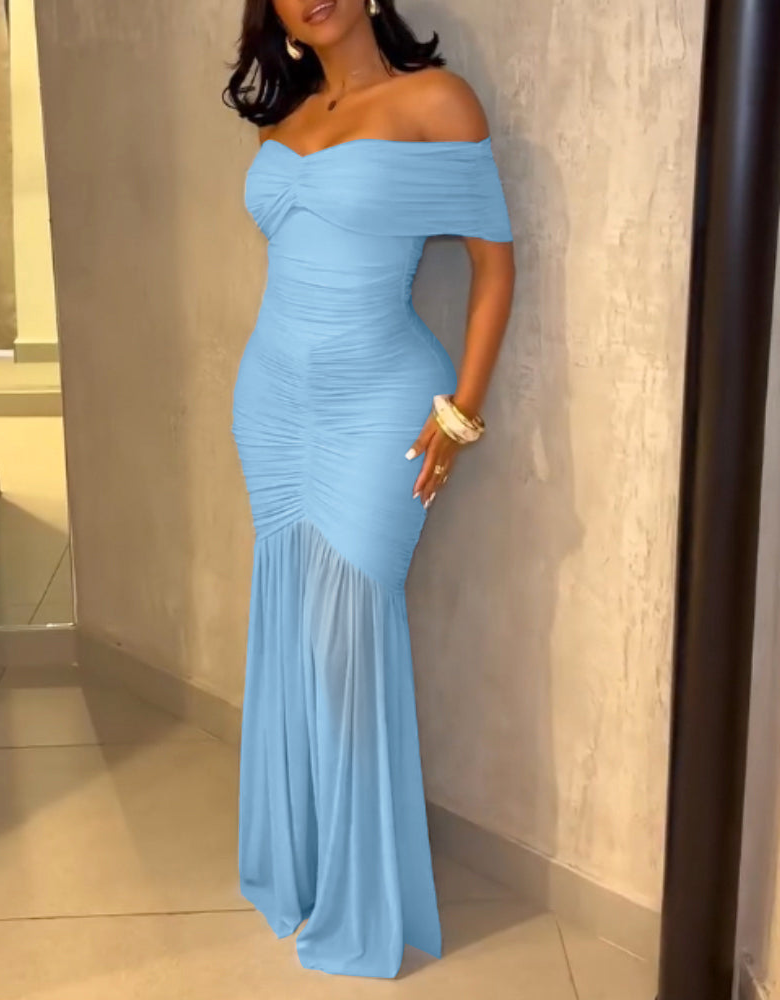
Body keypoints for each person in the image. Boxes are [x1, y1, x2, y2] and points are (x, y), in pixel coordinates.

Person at [223, 0, 515, 979]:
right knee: (291, 628)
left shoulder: (436, 102)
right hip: (272, 402)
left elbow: (493, 266)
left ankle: (361, 897)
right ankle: (300, 863)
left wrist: (460, 412)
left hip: (377, 402)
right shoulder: (285, 120)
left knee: (348, 634)